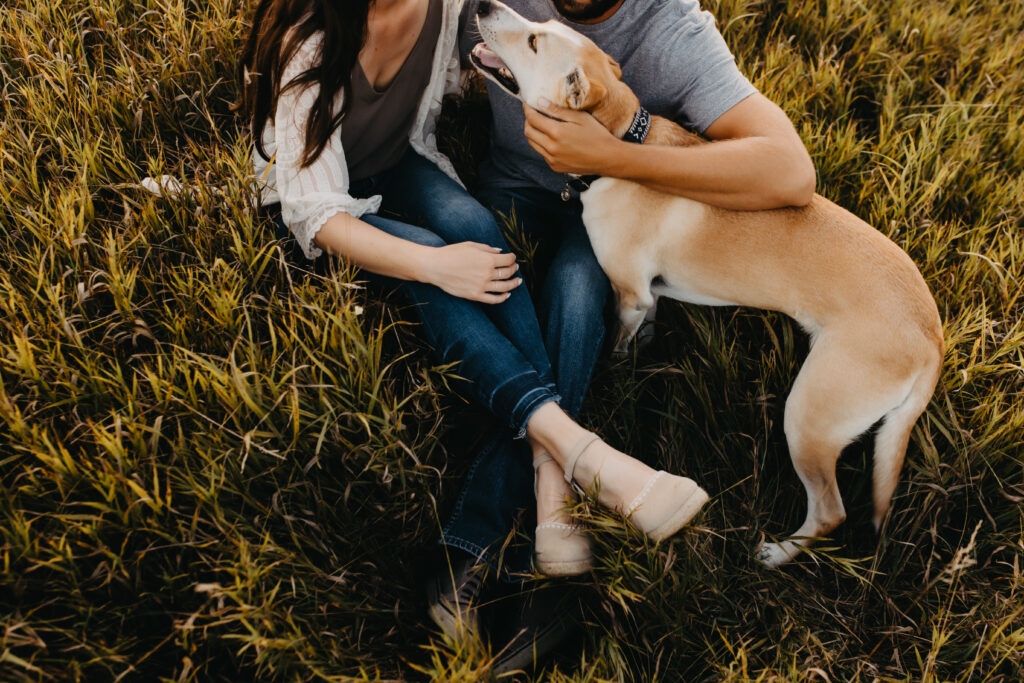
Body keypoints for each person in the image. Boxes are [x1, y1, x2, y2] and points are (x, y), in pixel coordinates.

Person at [237, 0, 710, 646]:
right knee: (441, 272)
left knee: (479, 236)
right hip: (319, 206)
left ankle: (543, 481)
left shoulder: (444, 5)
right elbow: (317, 216)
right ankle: (572, 455)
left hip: (399, 161)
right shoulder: (311, 43)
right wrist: (432, 266)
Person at [436, 0, 816, 667]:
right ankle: (553, 539)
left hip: (605, 206)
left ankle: (486, 548)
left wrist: (617, 155)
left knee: (579, 299)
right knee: (473, 274)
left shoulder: (671, 29)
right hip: (512, 188)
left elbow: (791, 172)